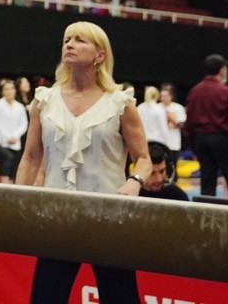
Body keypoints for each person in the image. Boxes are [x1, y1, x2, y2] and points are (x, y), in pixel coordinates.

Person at [15, 21, 150, 304]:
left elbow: (143, 159)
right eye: (67, 39)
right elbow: (30, 156)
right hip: (57, 215)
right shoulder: (45, 100)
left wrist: (134, 181)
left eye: (79, 40)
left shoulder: (120, 103)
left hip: (109, 217)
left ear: (99, 55)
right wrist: (17, 201)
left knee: (121, 297)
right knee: (45, 298)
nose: (69, 44)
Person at [183, 54, 228, 202]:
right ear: (222, 70)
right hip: (224, 141)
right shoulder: (226, 92)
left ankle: (206, 221)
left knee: (207, 187)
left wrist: (193, 147)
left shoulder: (195, 91)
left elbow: (189, 122)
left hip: (202, 141)